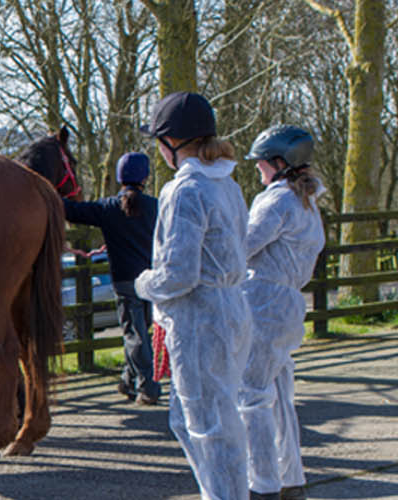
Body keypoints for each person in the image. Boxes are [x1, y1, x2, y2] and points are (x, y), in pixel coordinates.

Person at [133, 91, 252, 500]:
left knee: (208, 428)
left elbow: (178, 273)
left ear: (172, 144)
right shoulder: (227, 184)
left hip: (199, 317)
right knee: (195, 421)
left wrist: (143, 283)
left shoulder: (184, 190)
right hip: (232, 309)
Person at [237, 125, 326, 500]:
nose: (257, 168)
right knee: (279, 397)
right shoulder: (306, 203)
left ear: (278, 162)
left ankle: (263, 485)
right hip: (289, 305)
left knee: (251, 397)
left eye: (261, 162)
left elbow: (242, 246)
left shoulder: (276, 201)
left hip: (263, 303)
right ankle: (291, 480)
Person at [63, 152, 160, 405]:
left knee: (134, 334)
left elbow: (71, 211)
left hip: (124, 281)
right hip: (151, 280)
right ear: (145, 177)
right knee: (141, 331)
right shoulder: (156, 206)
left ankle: (146, 386)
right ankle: (129, 380)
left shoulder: (108, 208)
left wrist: (51, 192)